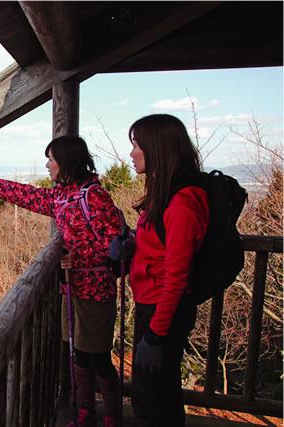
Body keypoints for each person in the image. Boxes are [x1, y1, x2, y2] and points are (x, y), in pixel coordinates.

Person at [0, 135, 123, 427]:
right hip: (71, 288)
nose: (48, 165)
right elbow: (24, 194)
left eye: (52, 159)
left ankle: (112, 417)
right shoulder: (61, 195)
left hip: (96, 291)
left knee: (98, 358)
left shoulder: (92, 195)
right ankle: (85, 413)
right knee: (80, 358)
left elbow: (114, 245)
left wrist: (80, 257)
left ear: (66, 161)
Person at [127, 114, 209, 427]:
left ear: (157, 148)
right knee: (160, 392)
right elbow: (161, 249)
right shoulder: (165, 195)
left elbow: (176, 277)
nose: (132, 154)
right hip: (155, 306)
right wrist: (131, 244)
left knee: (152, 399)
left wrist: (155, 335)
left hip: (164, 313)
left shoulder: (182, 202)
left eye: (138, 146)